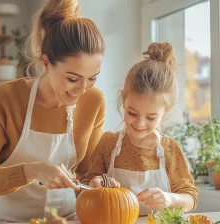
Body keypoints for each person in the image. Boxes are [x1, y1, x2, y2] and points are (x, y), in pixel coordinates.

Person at [0, 0, 106, 223]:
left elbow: (87, 173)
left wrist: (96, 184)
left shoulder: (94, 102)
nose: (82, 89)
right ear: (47, 64)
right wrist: (30, 171)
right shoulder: (6, 98)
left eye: (92, 78)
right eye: (73, 79)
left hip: (66, 219)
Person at [82, 42, 198, 215]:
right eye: (132, 113)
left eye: (151, 117)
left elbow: (190, 199)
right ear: (123, 99)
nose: (140, 123)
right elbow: (84, 188)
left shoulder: (170, 150)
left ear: (165, 111)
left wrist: (169, 198)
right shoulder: (108, 144)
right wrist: (94, 185)